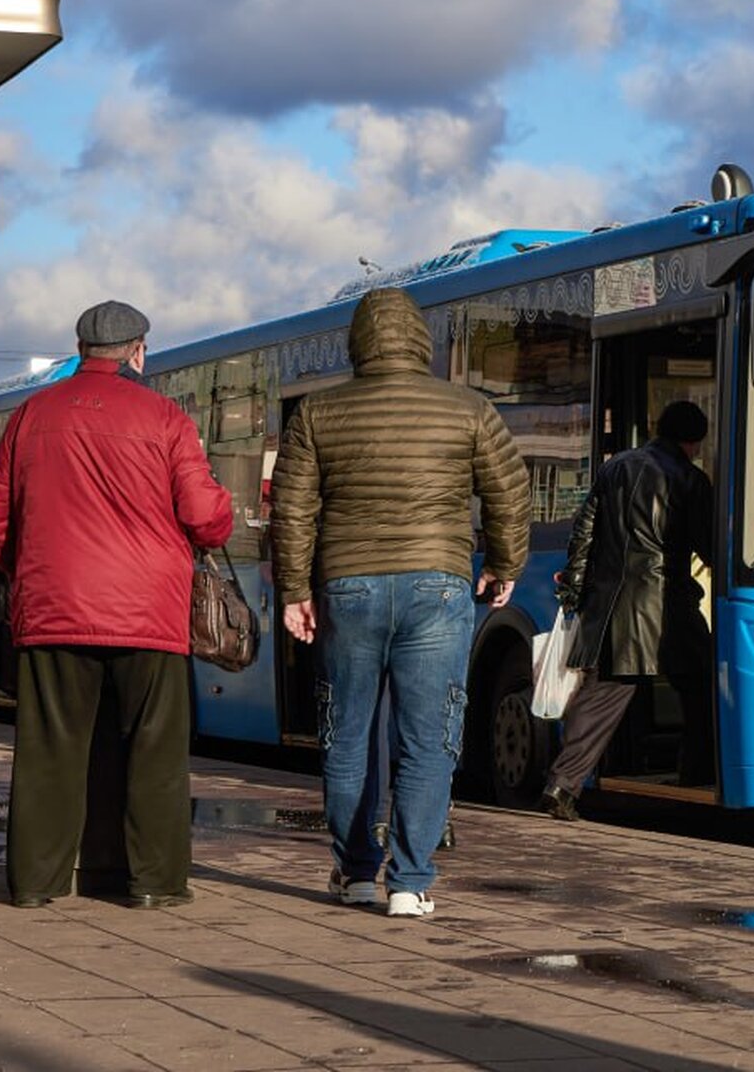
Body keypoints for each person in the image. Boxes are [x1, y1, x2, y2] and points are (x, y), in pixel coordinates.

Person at [270, 286, 529, 918]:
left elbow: (293, 507)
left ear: (357, 344)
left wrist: (295, 590)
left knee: (347, 734)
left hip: (348, 587)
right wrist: (504, 564)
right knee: (429, 739)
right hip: (437, 586)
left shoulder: (317, 412)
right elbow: (510, 492)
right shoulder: (469, 408)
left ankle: (356, 872)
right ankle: (410, 882)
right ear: (421, 341)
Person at [0, 300, 233, 909]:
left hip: (55, 608)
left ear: (81, 348)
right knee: (153, 749)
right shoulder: (165, 416)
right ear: (137, 351)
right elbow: (205, 517)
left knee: (49, 749)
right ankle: (152, 883)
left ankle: (36, 885)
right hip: (149, 613)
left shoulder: (31, 415)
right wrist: (222, 510)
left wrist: (28, 573)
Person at [542, 400, 714, 821]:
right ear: (692, 441)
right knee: (703, 687)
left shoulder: (615, 467)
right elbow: (707, 544)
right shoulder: (691, 480)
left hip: (611, 601)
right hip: (667, 601)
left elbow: (584, 531)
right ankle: (695, 774)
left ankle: (561, 785)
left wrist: (575, 589)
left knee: (603, 694)